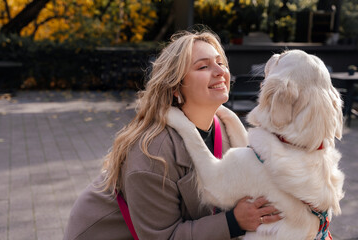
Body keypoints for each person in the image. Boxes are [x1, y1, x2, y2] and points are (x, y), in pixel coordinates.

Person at [63, 29, 281, 240]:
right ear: (176, 87)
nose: (219, 71)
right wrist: (233, 222)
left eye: (220, 63)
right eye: (203, 66)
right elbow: (164, 237)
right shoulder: (152, 153)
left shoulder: (227, 131)